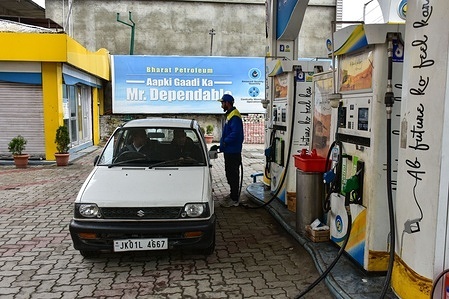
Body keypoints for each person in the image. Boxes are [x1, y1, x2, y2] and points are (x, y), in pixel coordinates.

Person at [217, 94, 244, 207]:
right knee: (229, 173)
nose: (221, 105)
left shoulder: (234, 116)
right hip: (229, 150)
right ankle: (233, 195)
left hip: (233, 151)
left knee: (233, 174)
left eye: (222, 103)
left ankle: (234, 199)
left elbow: (235, 133)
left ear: (227, 103)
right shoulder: (230, 114)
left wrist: (225, 142)